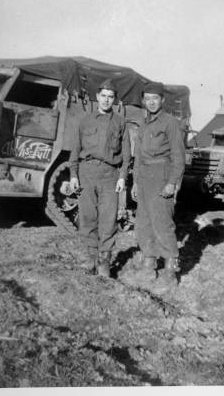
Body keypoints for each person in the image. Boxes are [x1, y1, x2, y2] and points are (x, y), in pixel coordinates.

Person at [127, 81, 185, 294]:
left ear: (162, 100)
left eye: (155, 98)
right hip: (144, 178)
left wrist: (172, 182)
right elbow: (138, 156)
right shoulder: (143, 124)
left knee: (162, 222)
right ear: (144, 100)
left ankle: (170, 271)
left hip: (162, 175)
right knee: (143, 222)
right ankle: (149, 265)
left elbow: (179, 156)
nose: (151, 102)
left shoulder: (170, 123)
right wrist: (135, 182)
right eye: (147, 98)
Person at [69, 79, 131, 277]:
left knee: (108, 219)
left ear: (115, 100)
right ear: (97, 97)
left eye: (110, 97)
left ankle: (104, 262)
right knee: (87, 217)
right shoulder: (84, 120)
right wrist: (73, 175)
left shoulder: (120, 122)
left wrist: (122, 177)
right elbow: (75, 149)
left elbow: (127, 154)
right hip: (86, 173)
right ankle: (90, 259)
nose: (106, 100)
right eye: (103, 96)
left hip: (110, 175)